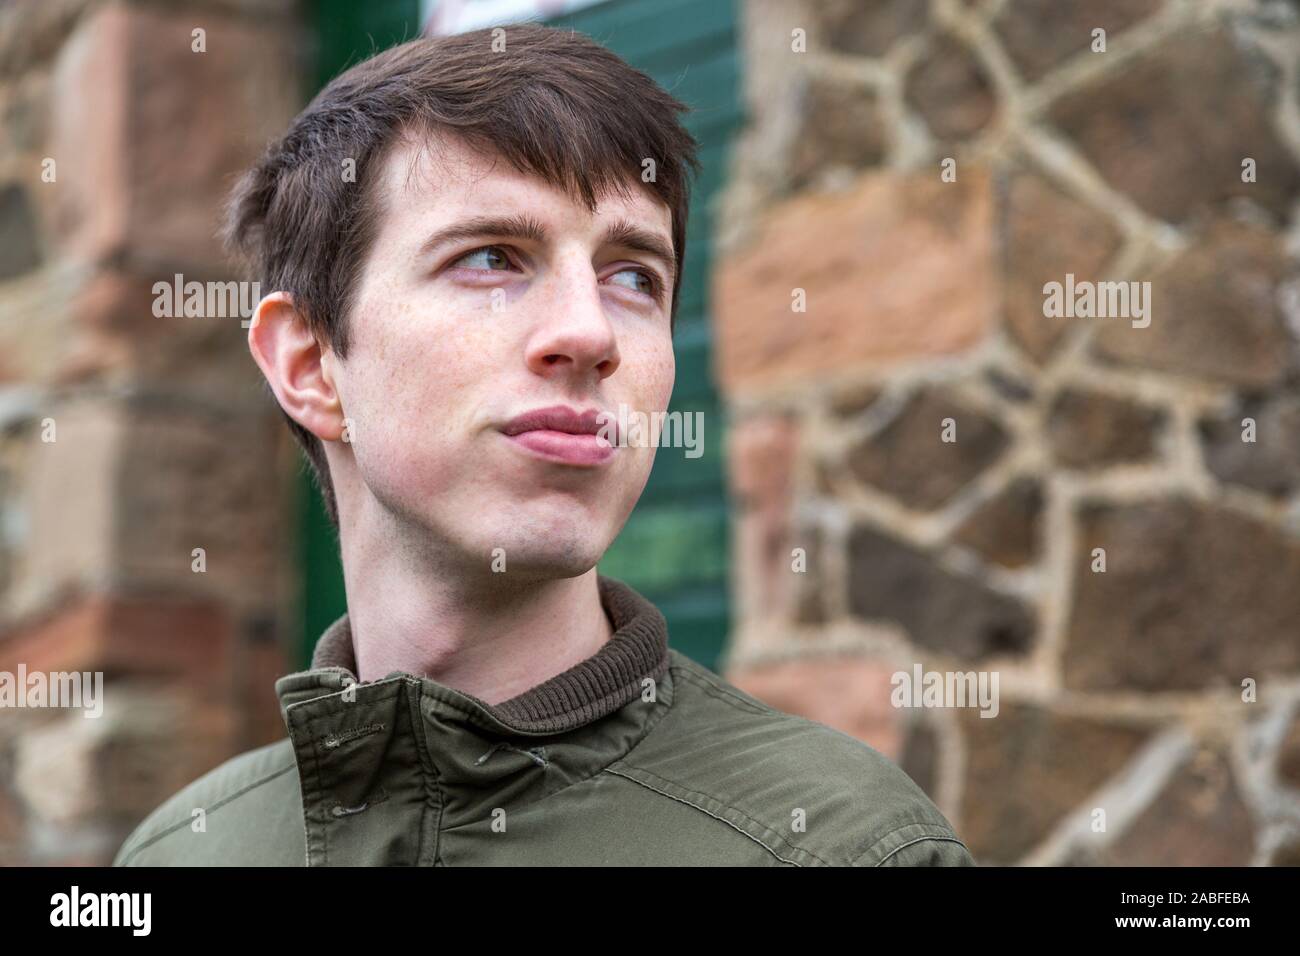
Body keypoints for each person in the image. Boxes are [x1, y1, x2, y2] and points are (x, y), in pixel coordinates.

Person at [113, 22, 974, 867]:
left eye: (634, 276)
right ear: (309, 365)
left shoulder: (841, 847)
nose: (590, 332)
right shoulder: (181, 852)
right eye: (492, 258)